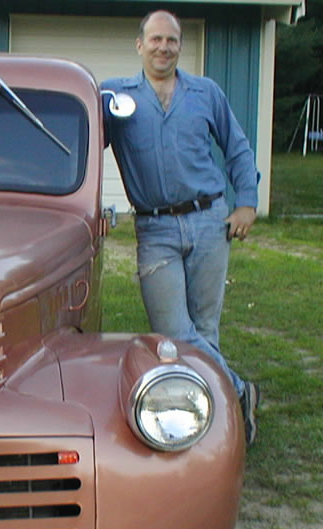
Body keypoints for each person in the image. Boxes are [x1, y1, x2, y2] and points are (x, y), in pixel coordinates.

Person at [101, 10, 260, 446]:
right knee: (173, 332)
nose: (163, 47)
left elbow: (237, 147)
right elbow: (85, 144)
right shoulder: (115, 98)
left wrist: (246, 202)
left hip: (209, 220)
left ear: (180, 46)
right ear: (140, 45)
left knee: (205, 330)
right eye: (155, 39)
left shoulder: (205, 93)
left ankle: (211, 423)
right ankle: (239, 392)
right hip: (155, 230)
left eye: (171, 40)